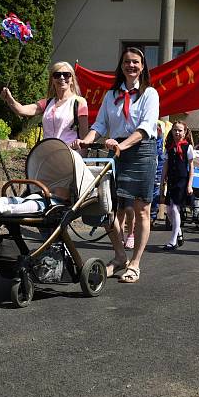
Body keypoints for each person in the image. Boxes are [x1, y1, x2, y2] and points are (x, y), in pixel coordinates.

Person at [72, 47, 159, 284]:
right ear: (121, 66)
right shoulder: (111, 95)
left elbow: (146, 127)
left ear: (143, 66)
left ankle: (135, 263)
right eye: (127, 62)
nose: (131, 66)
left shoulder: (150, 94)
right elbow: (100, 124)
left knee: (141, 209)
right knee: (109, 207)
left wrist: (124, 145)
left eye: (136, 62)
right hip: (115, 150)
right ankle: (120, 256)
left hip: (141, 150)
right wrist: (85, 140)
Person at [0, 61, 89, 148]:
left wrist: (82, 159)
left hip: (69, 154)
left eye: (66, 75)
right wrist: (9, 99)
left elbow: (84, 137)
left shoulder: (80, 102)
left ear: (72, 80)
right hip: (47, 153)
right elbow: (22, 110)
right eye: (57, 75)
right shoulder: (47, 103)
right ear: (52, 80)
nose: (62, 78)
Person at [160, 121, 194, 250]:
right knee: (169, 210)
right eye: (175, 130)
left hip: (182, 181)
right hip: (171, 181)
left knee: (175, 209)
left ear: (185, 132)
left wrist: (189, 185)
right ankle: (179, 232)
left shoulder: (188, 147)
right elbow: (165, 166)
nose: (177, 132)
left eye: (180, 130)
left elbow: (191, 167)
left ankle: (173, 240)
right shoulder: (169, 147)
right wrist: (162, 182)